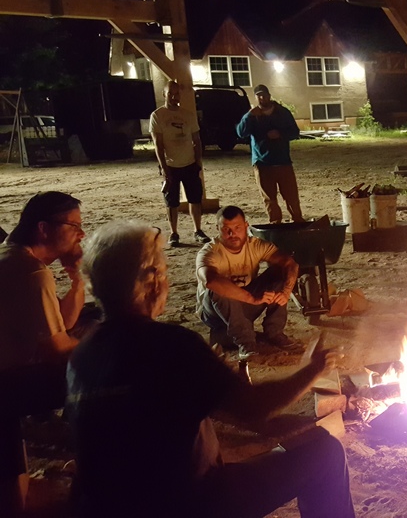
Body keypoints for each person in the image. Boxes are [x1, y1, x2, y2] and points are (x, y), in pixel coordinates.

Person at [67, 221, 355, 518]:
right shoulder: (171, 344)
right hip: (188, 503)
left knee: (298, 446)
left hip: (105, 506)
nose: (165, 281)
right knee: (325, 454)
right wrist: (312, 369)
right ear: (151, 281)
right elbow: (254, 409)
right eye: (164, 273)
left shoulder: (82, 356)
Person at [0, 192, 86, 513]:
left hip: (8, 373)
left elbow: (61, 323)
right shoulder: (30, 272)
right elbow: (58, 350)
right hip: (5, 383)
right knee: (102, 373)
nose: (82, 234)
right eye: (73, 225)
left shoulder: (15, 257)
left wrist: (77, 279)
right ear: (43, 229)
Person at [197, 205, 299, 357]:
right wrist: (251, 298)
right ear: (217, 228)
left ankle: (275, 333)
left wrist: (285, 292)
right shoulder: (210, 251)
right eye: (226, 229)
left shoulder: (256, 245)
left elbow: (290, 263)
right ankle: (246, 343)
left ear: (246, 226)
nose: (232, 234)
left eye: (238, 227)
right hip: (214, 311)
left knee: (279, 272)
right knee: (219, 287)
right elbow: (211, 281)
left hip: (246, 304)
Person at [150, 80, 211, 248]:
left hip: (189, 163)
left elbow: (197, 139)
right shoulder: (158, 115)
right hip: (170, 165)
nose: (173, 97)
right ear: (164, 94)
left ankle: (197, 230)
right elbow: (158, 144)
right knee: (171, 201)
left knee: (195, 198)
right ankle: (174, 232)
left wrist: (198, 161)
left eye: (176, 93)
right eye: (170, 93)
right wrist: (163, 166)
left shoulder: (188, 115)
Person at [236, 84, 304, 224]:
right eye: (259, 96)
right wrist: (248, 116)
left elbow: (294, 132)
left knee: (291, 194)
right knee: (269, 197)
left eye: (264, 95)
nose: (262, 98)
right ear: (256, 97)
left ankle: (297, 220)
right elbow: (241, 133)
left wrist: (280, 134)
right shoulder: (253, 115)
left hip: (283, 161)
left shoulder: (282, 112)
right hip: (262, 162)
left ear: (269, 96)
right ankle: (275, 223)